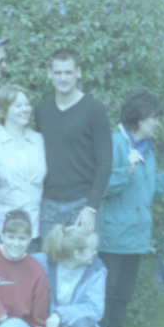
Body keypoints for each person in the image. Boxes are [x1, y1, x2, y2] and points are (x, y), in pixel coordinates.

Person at [97, 89, 164, 327]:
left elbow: (147, 190)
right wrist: (127, 170)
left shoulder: (146, 149)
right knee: (106, 291)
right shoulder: (115, 143)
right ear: (138, 118)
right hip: (113, 234)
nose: (157, 123)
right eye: (153, 118)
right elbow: (103, 187)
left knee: (124, 293)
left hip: (137, 235)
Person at [33, 49, 113, 234]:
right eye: (58, 72)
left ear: (78, 72)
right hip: (49, 204)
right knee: (49, 255)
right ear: (49, 74)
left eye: (68, 72)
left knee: (82, 254)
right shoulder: (42, 110)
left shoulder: (94, 110)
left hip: (83, 205)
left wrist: (92, 207)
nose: (63, 78)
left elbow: (105, 163)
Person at [34, 224, 106, 327]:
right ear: (77, 254)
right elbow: (13, 259)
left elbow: (95, 308)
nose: (95, 253)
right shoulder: (42, 262)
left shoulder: (97, 269)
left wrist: (59, 314)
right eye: (91, 249)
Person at [0, 85, 46, 246]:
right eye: (18, 105)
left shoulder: (39, 141)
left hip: (33, 231)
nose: (25, 109)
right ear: (3, 110)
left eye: (27, 104)